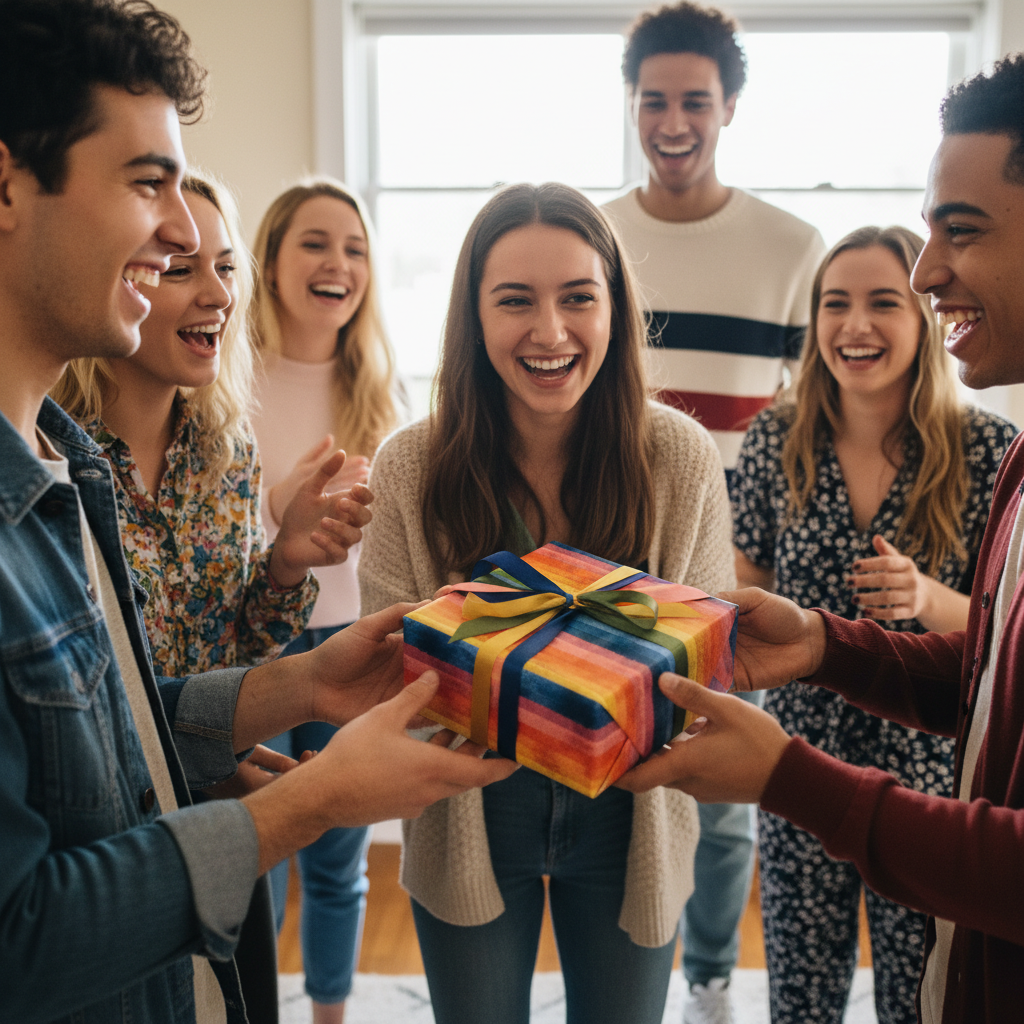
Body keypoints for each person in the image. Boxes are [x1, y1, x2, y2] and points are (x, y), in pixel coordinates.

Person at [0, 2, 516, 1021]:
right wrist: (314, 800)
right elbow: (21, 938)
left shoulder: (65, 467)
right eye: (148, 182)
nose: (186, 230)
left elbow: (107, 755)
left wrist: (299, 683)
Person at [617, 53, 1024, 1024]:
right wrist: (821, 642)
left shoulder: (984, 447)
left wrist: (787, 774)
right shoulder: (1017, 467)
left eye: (957, 232)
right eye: (838, 300)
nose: (923, 274)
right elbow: (992, 676)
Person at [358, 181, 735, 1024]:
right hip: (471, 811)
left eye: (578, 298)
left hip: (632, 818)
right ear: (473, 316)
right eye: (515, 301)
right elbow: (392, 673)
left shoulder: (678, 455)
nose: (551, 332)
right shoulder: (410, 465)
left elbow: (710, 661)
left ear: (614, 307)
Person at [49, 168, 370, 1023]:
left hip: (221, 839)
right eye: (183, 265)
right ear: (120, 275)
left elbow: (240, 651)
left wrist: (286, 564)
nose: (215, 294)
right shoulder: (49, 458)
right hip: (99, 862)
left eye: (225, 269)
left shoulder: (226, 455)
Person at [729, 225, 1016, 1023]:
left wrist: (925, 598)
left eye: (883, 303)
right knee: (802, 995)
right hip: (793, 764)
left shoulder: (990, 449)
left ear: (923, 316)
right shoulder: (773, 438)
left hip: (929, 784)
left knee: (917, 994)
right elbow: (743, 578)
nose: (855, 326)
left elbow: (1000, 637)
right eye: (835, 304)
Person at [601, 6, 825, 1019]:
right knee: (609, 772)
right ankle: (622, 979)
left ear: (729, 107)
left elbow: (809, 420)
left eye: (695, 100)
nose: (673, 120)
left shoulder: (792, 245)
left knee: (725, 802)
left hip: (735, 574)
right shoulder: (594, 234)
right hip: (607, 560)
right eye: (655, 100)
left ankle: (705, 985)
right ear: (632, 107)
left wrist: (762, 557)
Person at [250, 178, 401, 1024]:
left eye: (355, 247)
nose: (338, 263)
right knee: (260, 851)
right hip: (256, 644)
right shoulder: (226, 379)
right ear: (271, 262)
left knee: (341, 854)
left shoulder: (382, 389)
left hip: (357, 634)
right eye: (315, 242)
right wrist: (281, 510)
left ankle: (332, 1014)